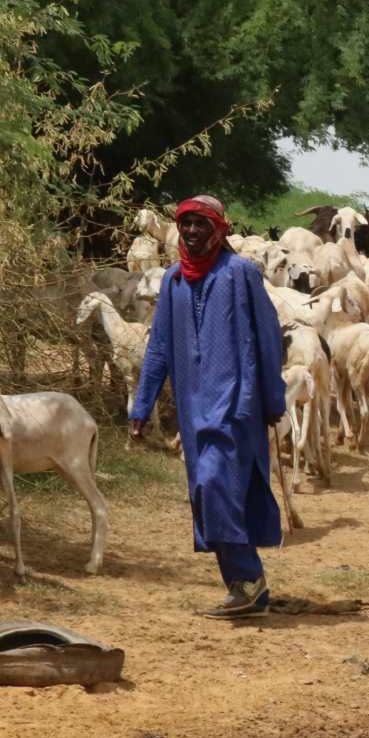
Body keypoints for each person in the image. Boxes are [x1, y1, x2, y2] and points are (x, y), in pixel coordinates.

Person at [130, 195, 288, 618]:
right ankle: (242, 586)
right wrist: (141, 406)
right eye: (186, 225)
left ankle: (249, 581)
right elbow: (159, 346)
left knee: (217, 484)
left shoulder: (240, 274)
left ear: (219, 230)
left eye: (202, 225)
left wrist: (273, 398)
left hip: (238, 403)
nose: (193, 232)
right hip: (192, 408)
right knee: (205, 493)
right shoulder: (173, 281)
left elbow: (269, 338)